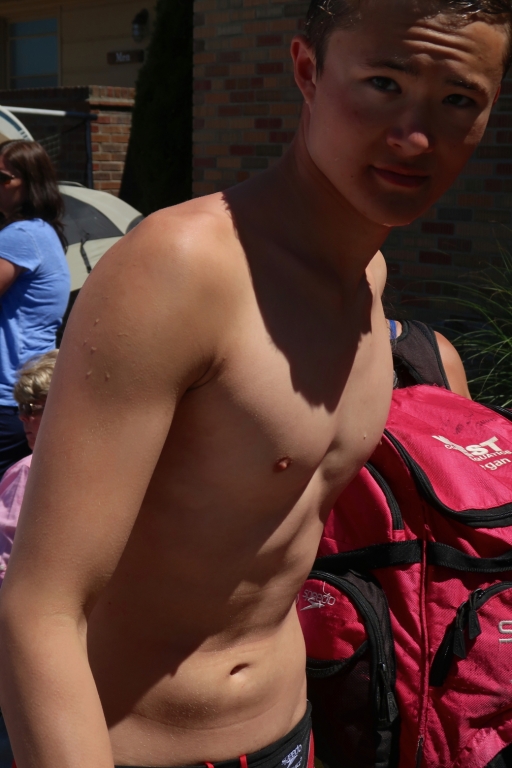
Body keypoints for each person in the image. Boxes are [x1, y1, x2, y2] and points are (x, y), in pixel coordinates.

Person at [0, 2, 509, 767]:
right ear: (308, 71)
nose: (415, 136)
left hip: (290, 730)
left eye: (459, 99)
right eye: (383, 83)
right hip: (129, 746)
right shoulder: (180, 271)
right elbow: (40, 608)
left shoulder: (367, 281)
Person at [0, 350, 57, 768]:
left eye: (32, 408)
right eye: (21, 408)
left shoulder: (28, 471)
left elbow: (5, 560)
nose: (23, 419)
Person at [0, 141, 70, 480]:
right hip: (27, 393)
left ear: (30, 183)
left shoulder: (21, 235)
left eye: (3, 178)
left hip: (7, 395)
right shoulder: (42, 233)